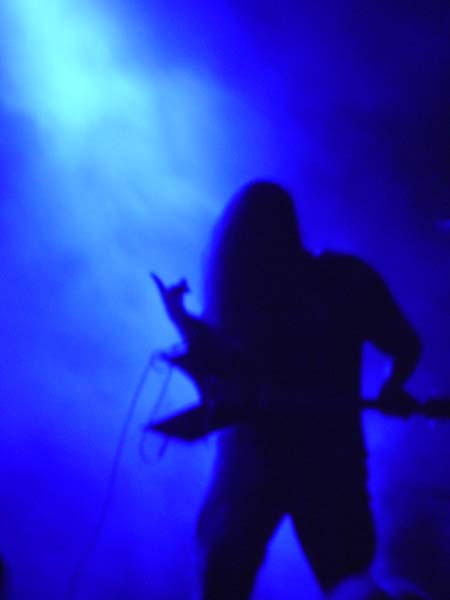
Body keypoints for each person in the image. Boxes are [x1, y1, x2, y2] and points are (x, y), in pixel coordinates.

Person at [155, 180, 424, 600]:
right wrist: (392, 387)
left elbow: (405, 344)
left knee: (232, 578)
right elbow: (405, 344)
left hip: (269, 461)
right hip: (307, 460)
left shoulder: (325, 281)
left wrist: (187, 324)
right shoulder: (341, 279)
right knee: (345, 582)